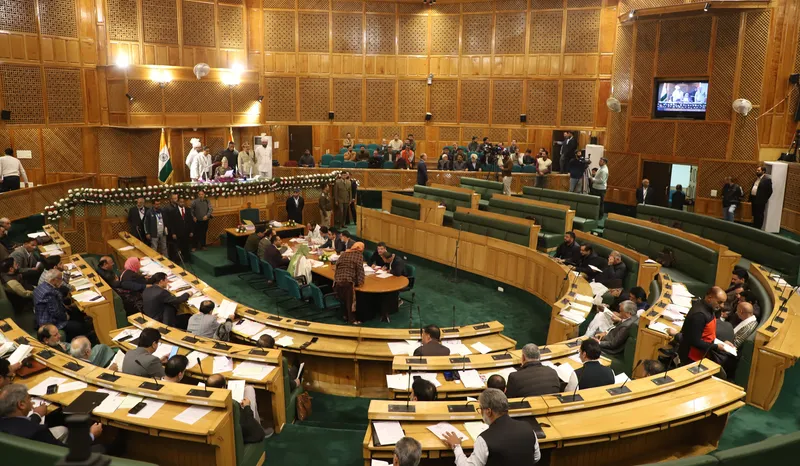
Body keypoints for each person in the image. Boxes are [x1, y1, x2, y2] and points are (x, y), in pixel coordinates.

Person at [441, 388, 540, 465]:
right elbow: (536, 457)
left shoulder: (484, 440)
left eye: (480, 409)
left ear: (488, 411)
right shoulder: (528, 428)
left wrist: (456, 446)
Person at [0, 384, 99, 446]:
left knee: (62, 429)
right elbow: (65, 451)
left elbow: (20, 426)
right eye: (29, 399)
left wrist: (37, 415)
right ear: (21, 405)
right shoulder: (38, 431)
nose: (32, 403)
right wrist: (91, 435)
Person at [206, 374, 266, 442]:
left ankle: (260, 425)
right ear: (223, 388)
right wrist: (247, 407)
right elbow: (249, 424)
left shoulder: (204, 400)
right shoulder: (232, 405)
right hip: (242, 434)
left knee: (248, 389)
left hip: (222, 433)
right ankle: (260, 427)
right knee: (250, 389)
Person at [677, 287, 728, 366]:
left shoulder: (709, 309)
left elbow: (707, 335)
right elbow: (694, 341)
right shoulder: (699, 315)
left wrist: (723, 344)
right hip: (691, 358)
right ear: (709, 298)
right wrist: (716, 347)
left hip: (702, 355)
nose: (722, 306)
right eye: (719, 302)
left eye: (723, 303)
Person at [34, 269, 88, 341]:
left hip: (43, 315)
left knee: (75, 311)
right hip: (49, 321)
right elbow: (55, 312)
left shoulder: (41, 286)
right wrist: (66, 316)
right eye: (60, 279)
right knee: (78, 326)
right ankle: (78, 340)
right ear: (53, 280)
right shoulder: (49, 293)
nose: (61, 281)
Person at [334, 241, 366, 325]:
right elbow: (360, 270)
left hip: (338, 280)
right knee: (350, 301)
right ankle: (352, 320)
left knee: (343, 299)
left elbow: (337, 265)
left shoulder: (345, 253)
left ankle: (344, 316)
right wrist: (360, 282)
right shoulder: (359, 255)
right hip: (347, 281)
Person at [166, 197, 194, 263]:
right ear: (178, 202)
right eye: (180, 202)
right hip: (177, 232)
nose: (182, 203)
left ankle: (186, 259)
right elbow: (171, 223)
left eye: (183, 202)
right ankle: (178, 260)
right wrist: (173, 233)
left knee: (186, 246)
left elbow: (191, 222)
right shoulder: (173, 211)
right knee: (178, 246)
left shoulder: (188, 210)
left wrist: (192, 231)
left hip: (186, 232)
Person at [750, 165, 773, 229]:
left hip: (760, 201)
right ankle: (754, 225)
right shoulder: (757, 179)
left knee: (759, 214)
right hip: (754, 199)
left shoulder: (767, 180)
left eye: (759, 170)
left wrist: (764, 199)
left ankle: (758, 227)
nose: (757, 171)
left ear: (763, 171)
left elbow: (770, 191)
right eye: (757, 170)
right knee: (755, 213)